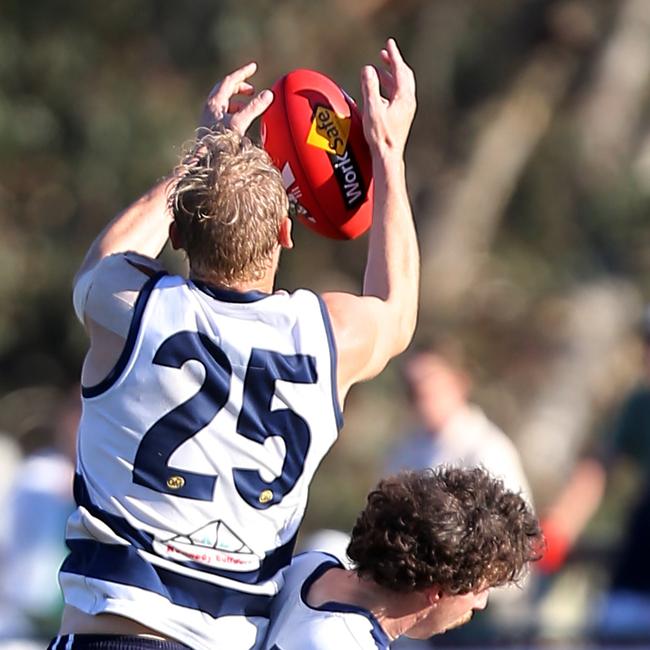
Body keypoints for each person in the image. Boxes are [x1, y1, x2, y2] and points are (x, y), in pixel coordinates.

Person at [50, 38, 419, 650]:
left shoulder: (130, 308)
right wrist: (387, 153)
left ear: (182, 224)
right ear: (286, 231)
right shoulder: (326, 339)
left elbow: (107, 258)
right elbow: (397, 308)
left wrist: (204, 158)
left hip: (107, 635)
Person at [262, 466, 542, 649]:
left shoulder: (309, 566)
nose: (481, 603)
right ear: (438, 589)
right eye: (481, 588)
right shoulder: (342, 642)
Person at [539, 306, 650, 638]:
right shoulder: (640, 405)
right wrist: (557, 530)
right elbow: (597, 471)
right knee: (618, 621)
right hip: (642, 556)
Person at [385, 344, 532, 502]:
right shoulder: (406, 451)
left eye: (429, 381)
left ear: (460, 382)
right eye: (412, 388)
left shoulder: (487, 449)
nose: (421, 394)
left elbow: (510, 519)